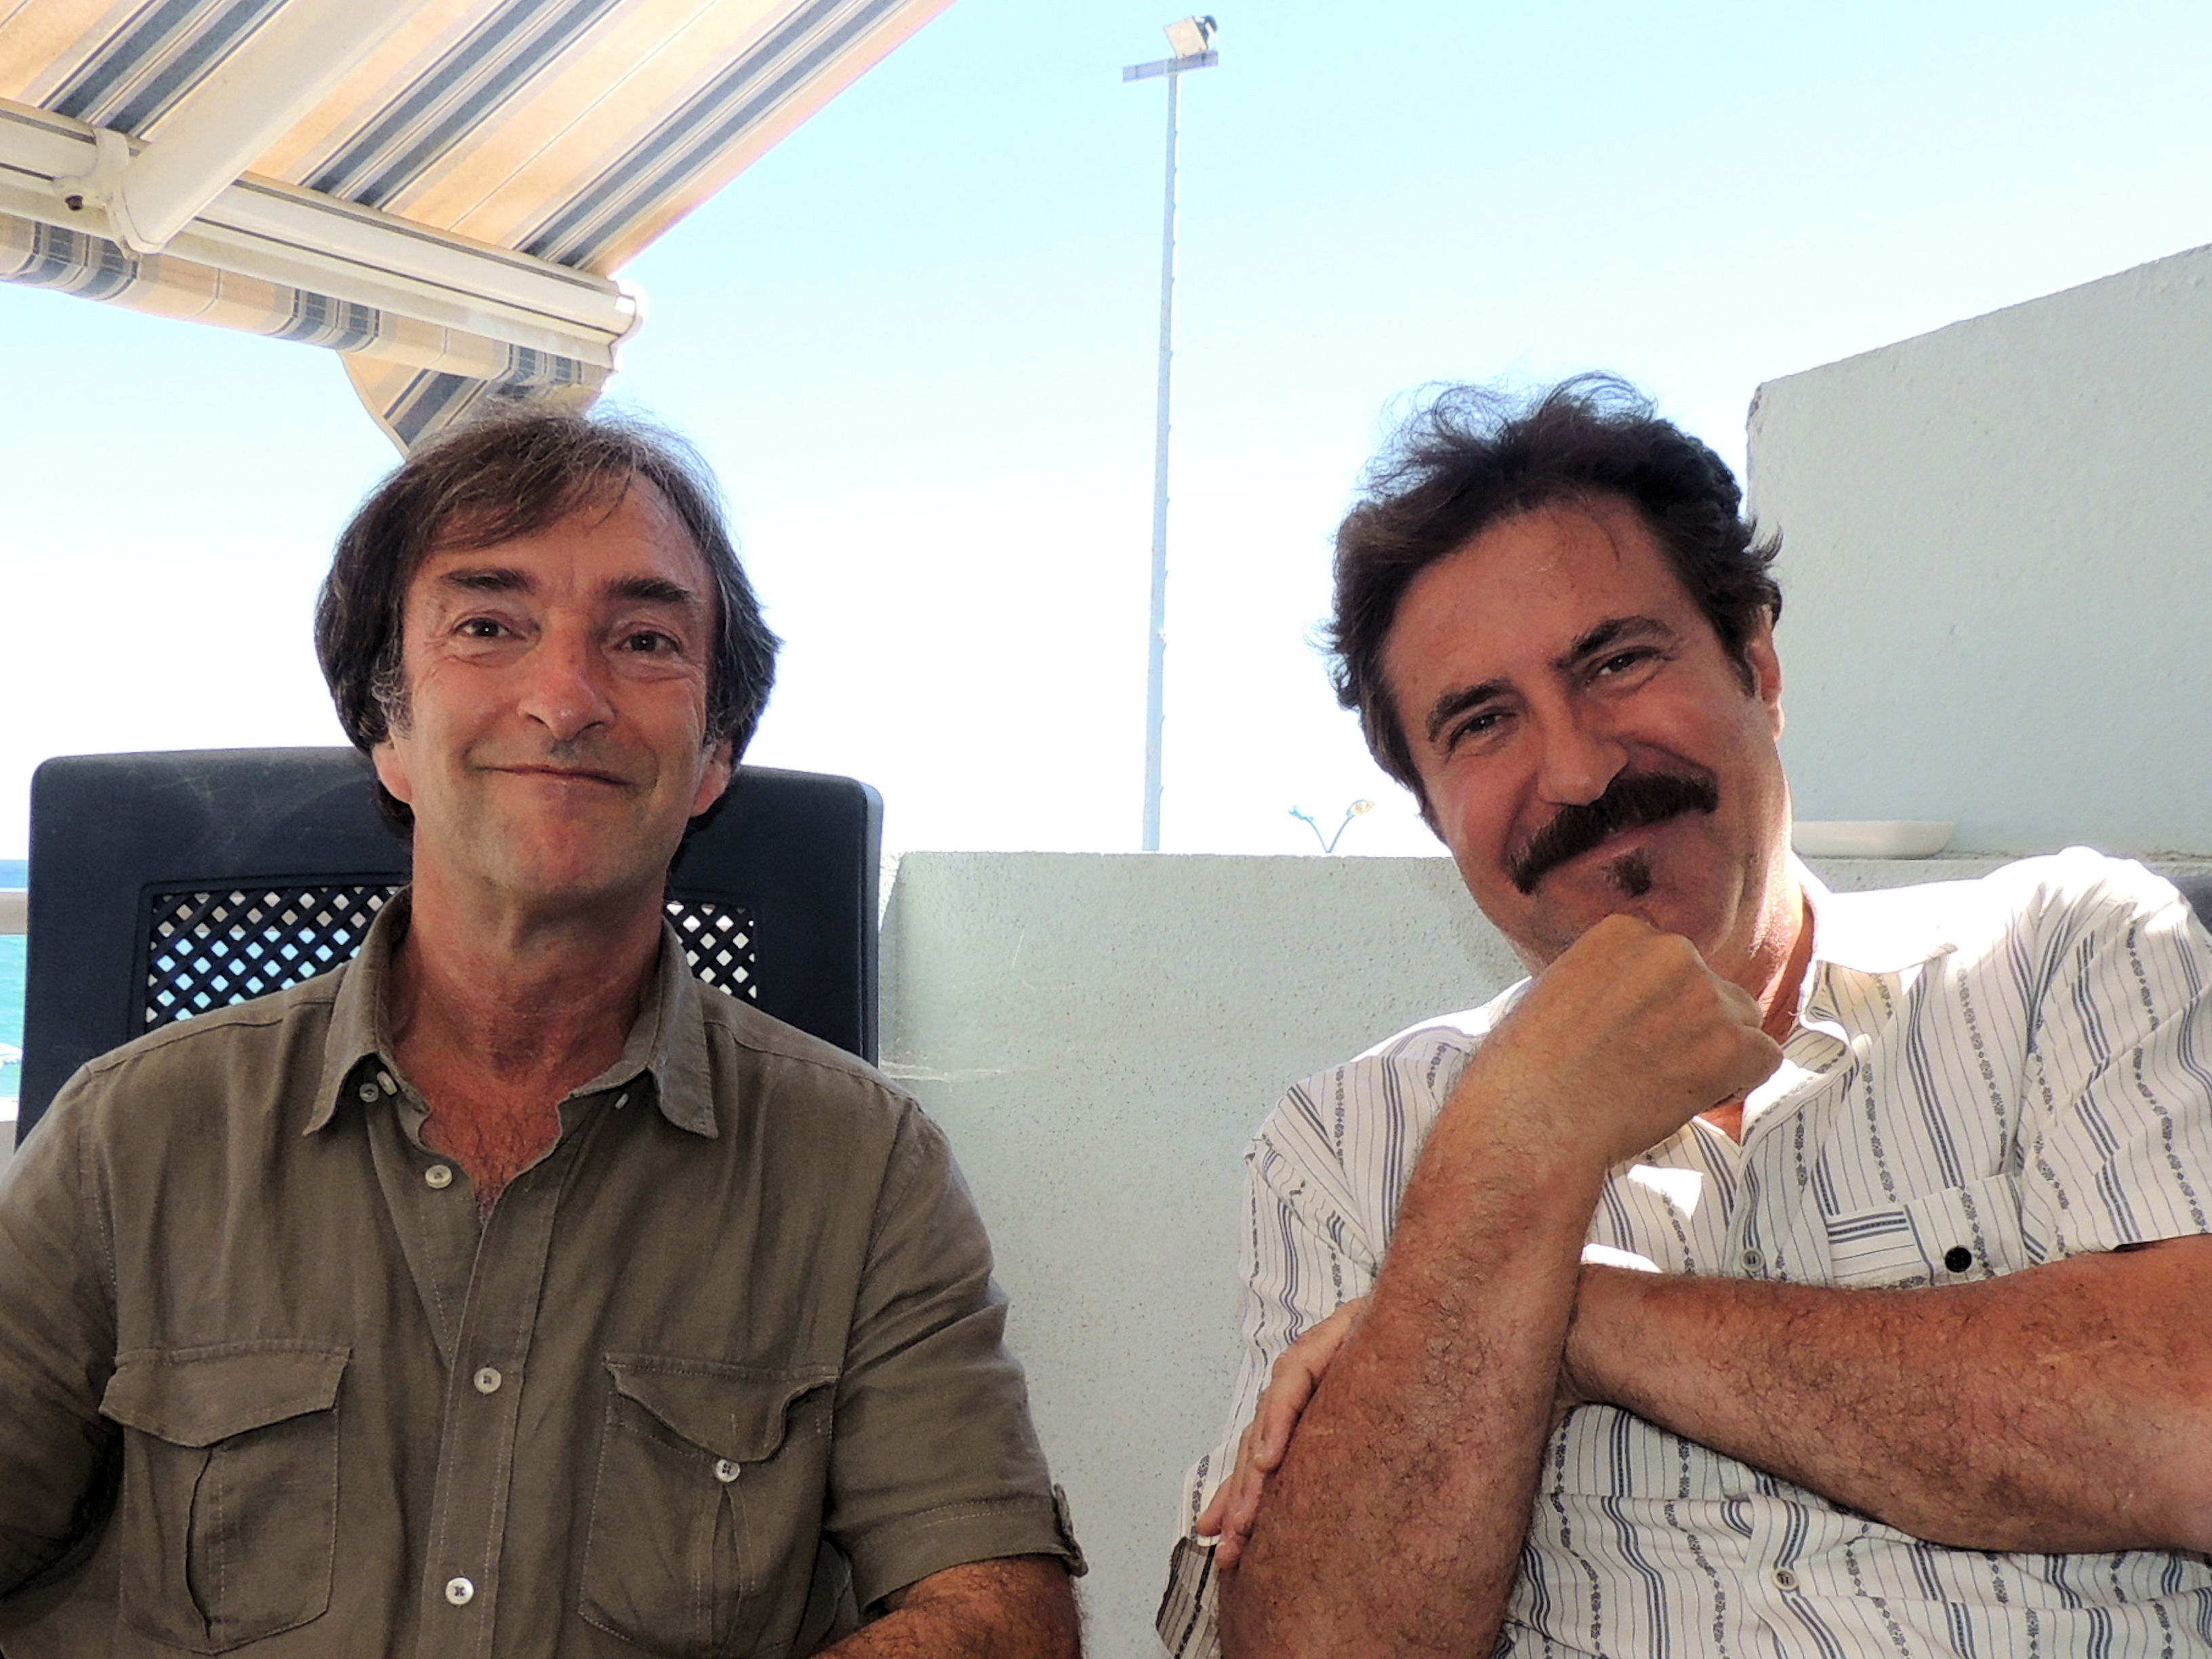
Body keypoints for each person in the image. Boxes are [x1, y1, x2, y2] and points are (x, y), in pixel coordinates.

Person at [1155, 376, 2212, 1659]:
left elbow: (2190, 1428)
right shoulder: (1342, 1142)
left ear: (1757, 667)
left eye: (1617, 662)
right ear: (1437, 817)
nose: (1578, 769)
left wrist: (1589, 1322)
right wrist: (1511, 1154)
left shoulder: (2062, 955)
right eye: (1483, 723)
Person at [0, 411, 1083, 1657]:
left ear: (714, 756)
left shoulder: (866, 1171)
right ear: (390, 729)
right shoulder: (131, 1136)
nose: (566, 700)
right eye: (488, 626)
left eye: (644, 640)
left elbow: (1002, 1618)